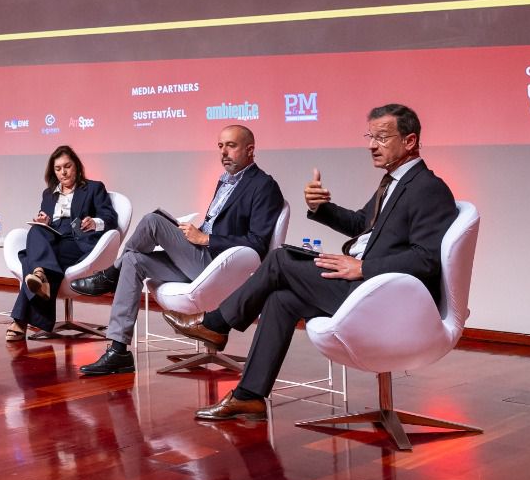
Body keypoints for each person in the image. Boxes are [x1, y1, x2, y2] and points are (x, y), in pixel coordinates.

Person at [183, 103, 457, 421]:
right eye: (370, 136)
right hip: (363, 284)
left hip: (383, 295)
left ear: (409, 141)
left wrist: (363, 268)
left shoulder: (428, 189)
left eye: (382, 137)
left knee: (280, 257)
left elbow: (426, 259)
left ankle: (216, 324)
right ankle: (249, 396)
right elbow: (361, 225)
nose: (372, 145)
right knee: (281, 299)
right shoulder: (392, 183)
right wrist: (321, 208)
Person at [78, 125, 283, 376]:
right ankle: (118, 351)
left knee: (153, 221)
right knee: (132, 260)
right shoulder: (224, 181)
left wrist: (206, 238)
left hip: (217, 265)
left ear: (250, 150)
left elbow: (258, 243)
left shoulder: (264, 186)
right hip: (199, 257)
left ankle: (110, 274)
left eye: (231, 146)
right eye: (220, 146)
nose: (223, 152)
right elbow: (216, 224)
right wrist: (193, 233)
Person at [7, 145, 119, 341]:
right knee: (36, 230)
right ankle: (40, 275)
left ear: (76, 166)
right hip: (53, 237)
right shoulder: (48, 193)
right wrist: (44, 221)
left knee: (29, 259)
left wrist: (95, 222)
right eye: (58, 169)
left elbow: (110, 217)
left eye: (67, 166)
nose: (63, 172)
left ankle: (21, 319)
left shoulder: (94, 188)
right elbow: (46, 218)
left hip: (77, 239)